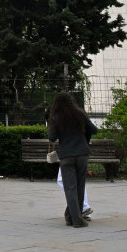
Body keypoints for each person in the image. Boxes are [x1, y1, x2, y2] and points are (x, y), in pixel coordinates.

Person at [47, 92, 97, 227]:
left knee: (70, 188)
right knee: (80, 187)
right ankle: (71, 216)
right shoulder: (80, 113)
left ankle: (76, 220)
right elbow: (94, 129)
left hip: (67, 156)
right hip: (82, 154)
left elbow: (52, 137)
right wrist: (84, 138)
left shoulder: (56, 117)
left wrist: (51, 126)